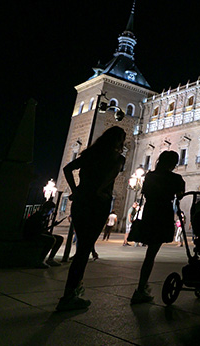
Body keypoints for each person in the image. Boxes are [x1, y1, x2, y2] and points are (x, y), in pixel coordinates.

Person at [56, 126, 126, 311]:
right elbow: (109, 177)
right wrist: (100, 190)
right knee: (84, 250)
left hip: (80, 201)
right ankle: (69, 295)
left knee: (82, 247)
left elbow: (67, 169)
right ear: (118, 141)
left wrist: (76, 189)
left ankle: (72, 290)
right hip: (98, 204)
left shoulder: (90, 154)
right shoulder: (118, 158)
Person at [131, 151, 186, 304]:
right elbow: (180, 195)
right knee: (151, 254)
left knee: (150, 254)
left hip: (149, 212)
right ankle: (141, 288)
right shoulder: (175, 178)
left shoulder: (149, 176)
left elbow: (145, 193)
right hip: (163, 213)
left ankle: (142, 286)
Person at [23, 200, 65, 267]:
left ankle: (50, 259)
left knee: (59, 238)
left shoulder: (44, 217)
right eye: (51, 210)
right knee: (51, 240)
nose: (51, 212)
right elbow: (38, 230)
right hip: (32, 235)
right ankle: (40, 260)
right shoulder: (38, 216)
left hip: (38, 233)